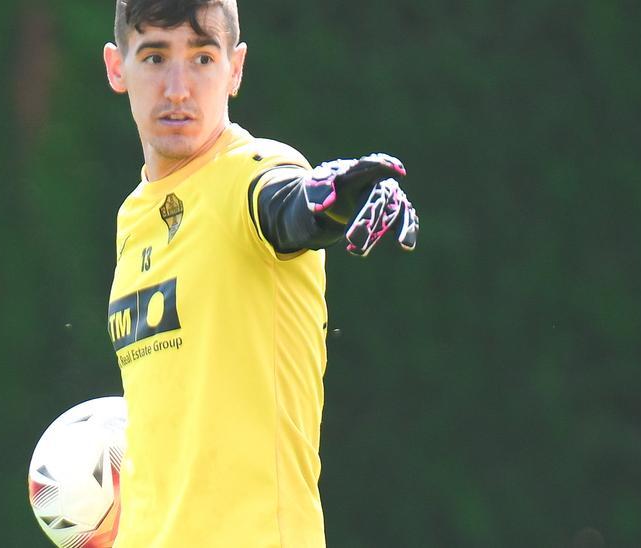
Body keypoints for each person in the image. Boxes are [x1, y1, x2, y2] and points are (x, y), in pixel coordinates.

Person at [101, 0, 418, 546]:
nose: (178, 87)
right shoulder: (133, 217)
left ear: (236, 68)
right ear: (116, 68)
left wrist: (334, 201)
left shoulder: (255, 171)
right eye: (154, 57)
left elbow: (289, 208)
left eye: (202, 58)